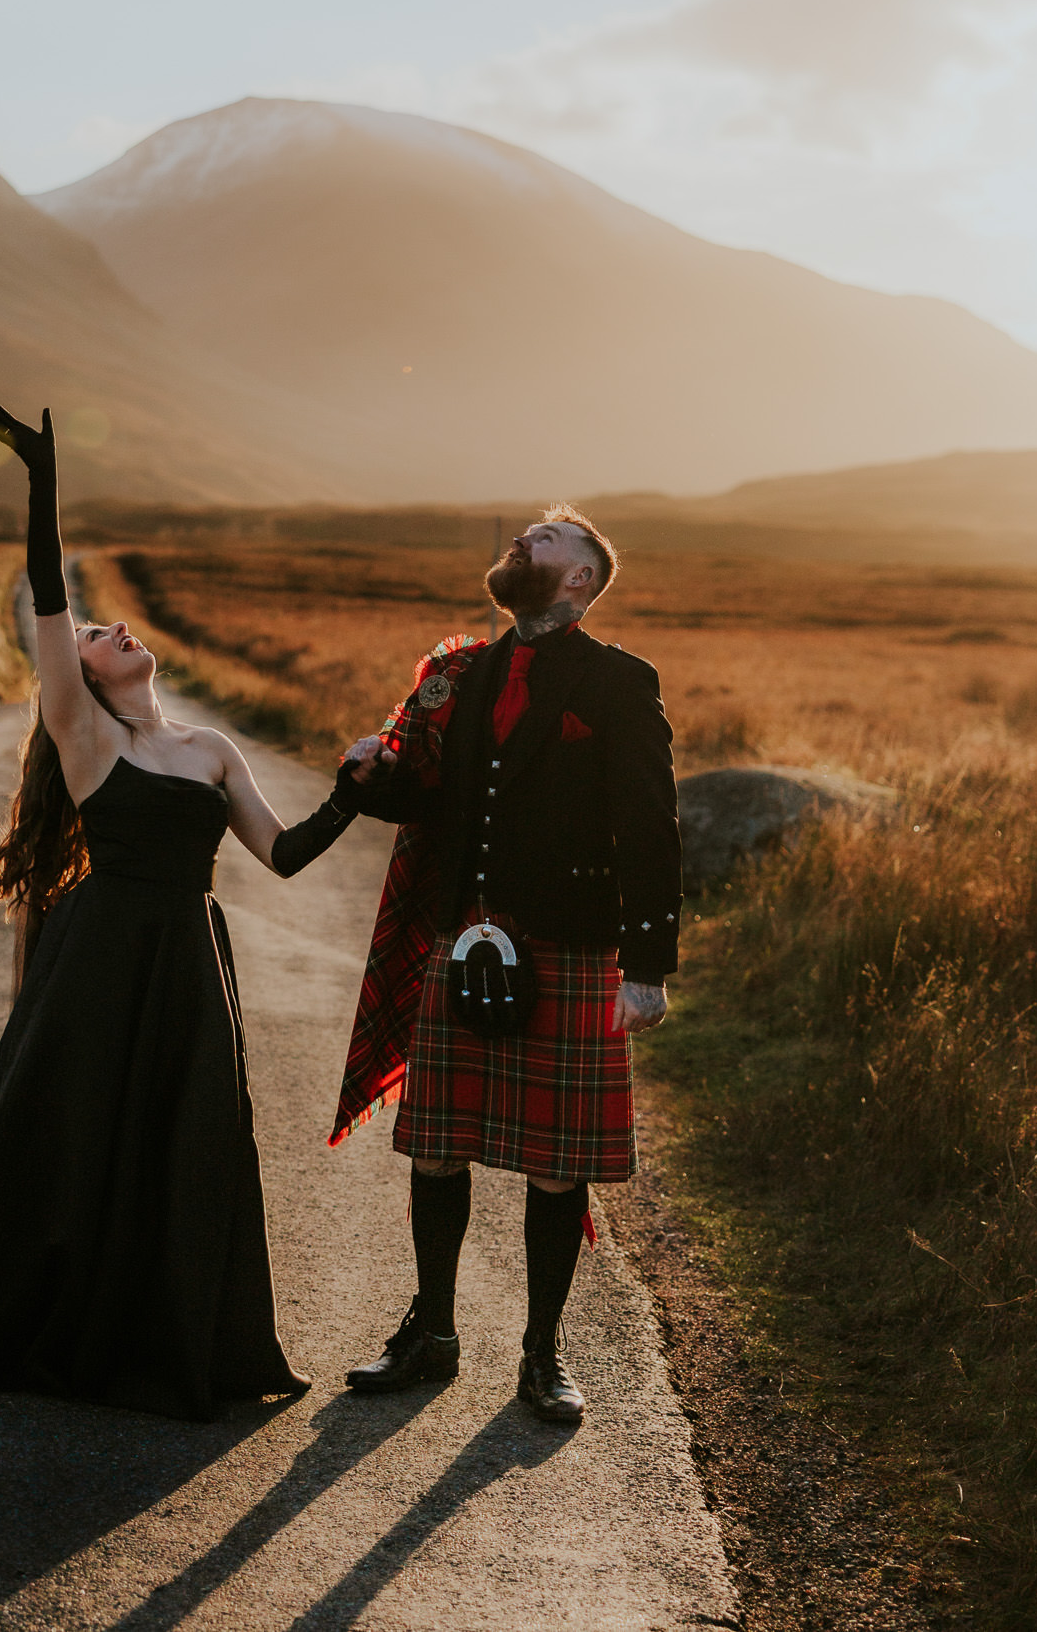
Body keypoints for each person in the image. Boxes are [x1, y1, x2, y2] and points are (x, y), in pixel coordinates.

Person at [0, 403, 363, 1421]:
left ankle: (166, 1327)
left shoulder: (208, 748)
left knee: (184, 1139)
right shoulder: (87, 741)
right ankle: (47, 1317)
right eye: (99, 639)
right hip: (98, 957)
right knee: (73, 1134)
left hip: (189, 962)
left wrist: (351, 792)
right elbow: (50, 601)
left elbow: (280, 854)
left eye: (115, 632)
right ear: (89, 680)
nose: (113, 632)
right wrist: (43, 481)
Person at [331, 509, 682, 1426]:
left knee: (556, 1165)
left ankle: (541, 1351)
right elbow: (432, 801)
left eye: (548, 538)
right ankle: (431, 1331)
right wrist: (371, 778)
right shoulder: (463, 673)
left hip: (569, 940)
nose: (526, 539)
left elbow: (649, 826)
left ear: (579, 579)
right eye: (524, 531)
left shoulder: (616, 681)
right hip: (466, 933)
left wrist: (644, 966)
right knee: (437, 1143)